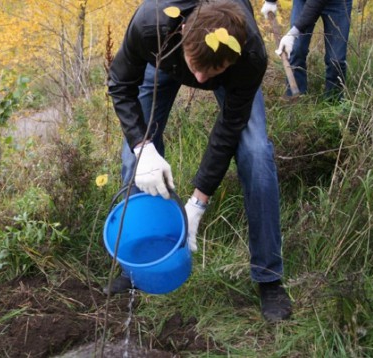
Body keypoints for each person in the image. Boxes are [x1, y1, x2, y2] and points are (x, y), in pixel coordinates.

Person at [105, 0, 292, 322]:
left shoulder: (249, 56)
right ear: (181, 34)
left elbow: (228, 129)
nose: (202, 79)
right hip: (164, 58)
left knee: (257, 154)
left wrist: (198, 202)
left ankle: (268, 277)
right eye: (197, 67)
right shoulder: (151, 25)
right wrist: (142, 146)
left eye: (213, 71)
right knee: (132, 160)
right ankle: (137, 266)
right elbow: (120, 85)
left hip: (225, 68)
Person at [260, 0, 353, 100]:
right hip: (303, 2)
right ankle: (296, 100)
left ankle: (334, 102)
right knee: (296, 50)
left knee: (336, 60)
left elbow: (316, 3)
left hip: (338, 3)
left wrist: (293, 33)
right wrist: (270, 1)